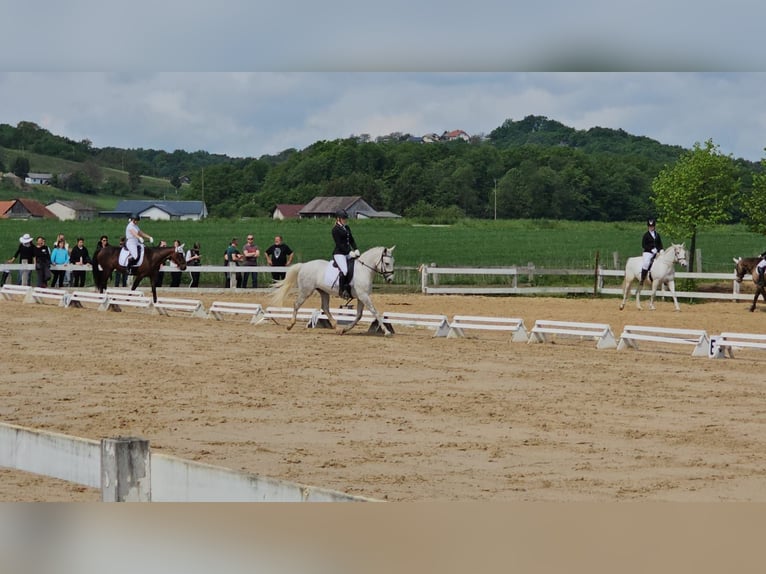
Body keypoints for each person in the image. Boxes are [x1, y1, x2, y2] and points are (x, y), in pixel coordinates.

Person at [331, 209, 359, 299]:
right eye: (343, 218)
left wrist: (356, 249)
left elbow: (351, 240)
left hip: (347, 252)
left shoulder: (346, 228)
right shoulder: (335, 229)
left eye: (345, 218)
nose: (345, 220)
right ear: (338, 219)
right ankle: (342, 290)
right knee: (345, 270)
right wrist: (349, 252)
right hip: (339, 253)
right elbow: (339, 244)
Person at [640, 218, 663, 284]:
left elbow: (660, 244)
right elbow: (643, 245)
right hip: (648, 252)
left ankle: (663, 278)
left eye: (652, 226)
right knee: (646, 263)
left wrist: (661, 250)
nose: (651, 227)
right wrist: (651, 249)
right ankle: (642, 279)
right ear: (648, 227)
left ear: (654, 226)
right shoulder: (646, 235)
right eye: (650, 226)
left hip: (657, 252)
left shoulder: (657, 235)